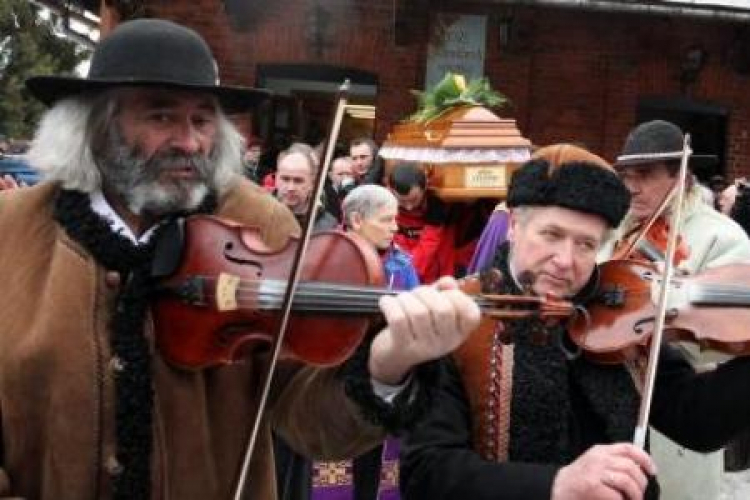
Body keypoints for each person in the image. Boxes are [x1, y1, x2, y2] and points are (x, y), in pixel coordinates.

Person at [0, 19, 481, 500]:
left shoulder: (259, 223)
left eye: (203, 119)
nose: (191, 142)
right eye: (161, 117)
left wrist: (387, 365)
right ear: (96, 126)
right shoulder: (12, 229)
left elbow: (306, 414)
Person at [400, 143, 750, 500]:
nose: (565, 260)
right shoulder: (459, 315)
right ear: (514, 227)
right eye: (551, 235)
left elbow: (698, 423)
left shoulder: (621, 313)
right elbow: (426, 472)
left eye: (585, 244)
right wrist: (556, 485)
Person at [597, 120, 750, 499]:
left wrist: (671, 304)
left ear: (681, 176)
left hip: (676, 409)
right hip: (608, 403)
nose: (632, 186)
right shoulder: (615, 231)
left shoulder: (721, 236)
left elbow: (726, 331)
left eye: (645, 175)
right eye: (627, 175)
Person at [274, 142, 338, 230]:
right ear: (276, 178)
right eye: (285, 179)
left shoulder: (328, 226)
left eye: (298, 181)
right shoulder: (260, 209)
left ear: (312, 183)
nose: (290, 188)